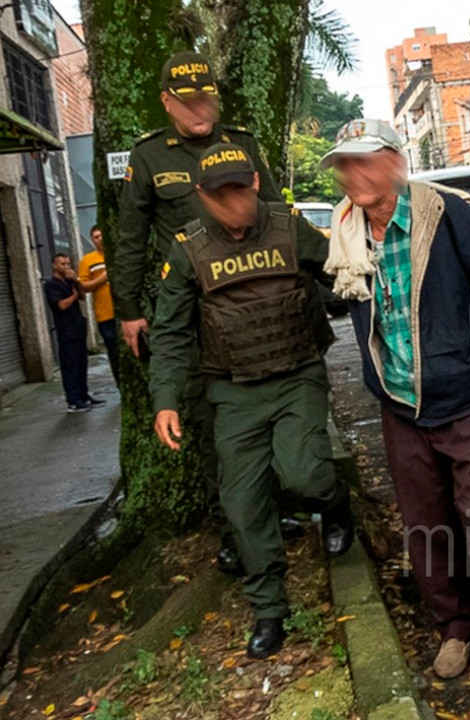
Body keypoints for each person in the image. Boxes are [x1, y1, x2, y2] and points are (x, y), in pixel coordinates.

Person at [322, 119, 470, 718]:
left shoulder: (446, 215)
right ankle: (455, 628)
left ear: (393, 161)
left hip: (467, 401)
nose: (351, 175)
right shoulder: (344, 231)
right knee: (425, 527)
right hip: (399, 404)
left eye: (363, 161)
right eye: (343, 164)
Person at [149, 143, 353, 659]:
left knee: (303, 475)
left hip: (297, 374)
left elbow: (342, 274)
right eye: (221, 194)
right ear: (201, 196)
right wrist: (165, 400)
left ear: (256, 184)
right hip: (233, 389)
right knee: (242, 506)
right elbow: (171, 333)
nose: (234, 201)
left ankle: (334, 505)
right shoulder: (188, 249)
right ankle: (269, 608)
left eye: (241, 188)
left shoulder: (289, 228)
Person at [113, 50, 283, 575]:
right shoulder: (148, 158)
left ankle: (275, 512)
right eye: (187, 102)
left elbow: (277, 214)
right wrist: (130, 311)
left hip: (253, 300)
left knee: (274, 407)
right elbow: (131, 240)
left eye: (207, 97)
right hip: (194, 312)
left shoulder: (244, 146)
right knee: (213, 423)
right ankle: (233, 526)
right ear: (167, 102)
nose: (199, 110)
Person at [45, 254, 105, 413]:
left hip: (78, 327)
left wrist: (77, 282)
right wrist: (74, 295)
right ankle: (73, 401)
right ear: (54, 266)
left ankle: (84, 396)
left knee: (81, 363)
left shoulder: (70, 282)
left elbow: (83, 297)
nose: (66, 267)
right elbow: (62, 305)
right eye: (62, 264)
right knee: (70, 364)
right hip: (66, 331)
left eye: (68, 263)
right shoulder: (51, 285)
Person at [78, 226, 119, 386]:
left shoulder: (116, 254)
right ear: (92, 240)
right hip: (105, 315)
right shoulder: (87, 260)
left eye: (102, 235)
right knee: (114, 353)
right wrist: (102, 279)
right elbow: (83, 286)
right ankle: (120, 385)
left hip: (125, 312)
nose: (99, 239)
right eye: (95, 237)